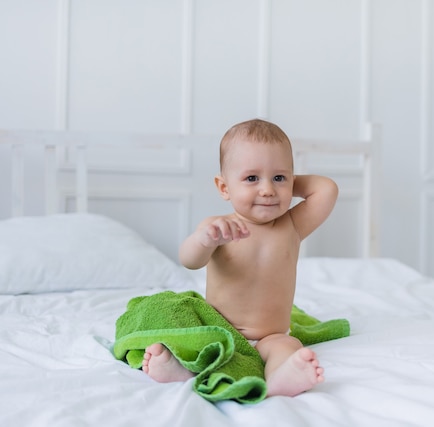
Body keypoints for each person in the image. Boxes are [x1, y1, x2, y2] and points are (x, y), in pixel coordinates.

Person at [142, 118, 339, 397]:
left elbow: (326, 189)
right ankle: (181, 370)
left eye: (279, 178)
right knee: (195, 339)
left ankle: (282, 376)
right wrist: (204, 240)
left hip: (270, 335)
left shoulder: (292, 226)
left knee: (289, 347)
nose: (268, 189)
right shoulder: (218, 228)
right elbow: (190, 260)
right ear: (224, 188)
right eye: (251, 178)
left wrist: (284, 181)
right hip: (220, 329)